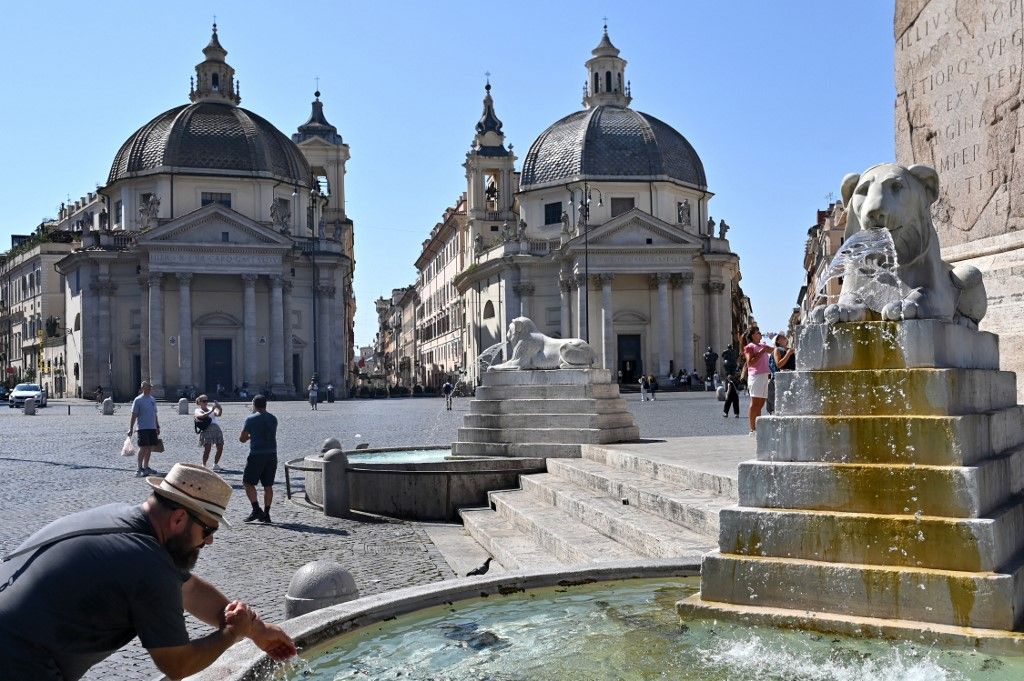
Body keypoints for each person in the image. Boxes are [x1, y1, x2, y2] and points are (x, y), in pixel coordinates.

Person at [0, 463, 296, 680]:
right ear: (179, 518)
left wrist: (257, 629)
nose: (209, 541)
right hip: (19, 662)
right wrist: (233, 633)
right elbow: (177, 664)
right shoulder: (147, 564)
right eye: (207, 529)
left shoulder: (120, 518)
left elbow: (188, 590)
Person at [239, 395, 278, 523]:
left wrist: (250, 436)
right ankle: (266, 513)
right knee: (268, 485)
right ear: (266, 405)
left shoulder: (250, 419)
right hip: (272, 454)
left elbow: (242, 438)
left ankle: (256, 509)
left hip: (257, 454)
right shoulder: (273, 419)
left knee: (247, 483)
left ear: (254, 405)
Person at [743, 327, 773, 436]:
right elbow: (750, 362)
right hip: (755, 376)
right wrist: (762, 352)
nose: (760, 334)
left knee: (761, 404)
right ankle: (752, 429)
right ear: (752, 336)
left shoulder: (762, 346)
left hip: (765, 375)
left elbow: (774, 350)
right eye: (758, 333)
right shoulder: (749, 347)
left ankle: (758, 428)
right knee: (755, 403)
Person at [128, 381, 160, 478]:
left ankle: (146, 467)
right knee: (143, 447)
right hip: (142, 428)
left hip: (152, 427)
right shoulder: (138, 400)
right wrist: (131, 428)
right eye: (147, 387)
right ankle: (139, 468)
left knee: (149, 447)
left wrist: (157, 426)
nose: (149, 389)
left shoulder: (152, 399)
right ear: (143, 388)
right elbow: (134, 415)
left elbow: (155, 414)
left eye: (150, 387)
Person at [194, 395, 225, 471]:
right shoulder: (198, 410)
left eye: (207, 401)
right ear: (200, 402)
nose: (206, 403)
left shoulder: (210, 408)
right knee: (207, 449)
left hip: (216, 429)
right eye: (204, 401)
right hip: (207, 430)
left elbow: (219, 414)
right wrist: (211, 411)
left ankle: (215, 464)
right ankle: (204, 464)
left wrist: (219, 408)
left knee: (220, 447)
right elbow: (201, 416)